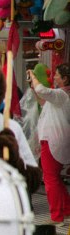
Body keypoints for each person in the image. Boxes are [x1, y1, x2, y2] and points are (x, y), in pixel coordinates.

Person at [29, 64, 70, 223]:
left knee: (50, 178)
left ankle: (56, 215)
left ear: (65, 79)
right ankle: (66, 208)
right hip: (58, 140)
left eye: (57, 75)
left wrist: (33, 75)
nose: (54, 77)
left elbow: (42, 91)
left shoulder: (62, 94)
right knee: (56, 178)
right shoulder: (62, 97)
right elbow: (43, 101)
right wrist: (33, 87)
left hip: (52, 140)